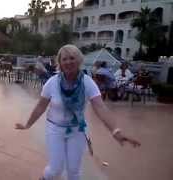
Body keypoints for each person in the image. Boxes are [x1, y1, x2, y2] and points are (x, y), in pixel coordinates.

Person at [15, 44, 140, 180]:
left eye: (72, 58)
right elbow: (40, 106)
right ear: (60, 63)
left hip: (77, 131)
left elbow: (100, 107)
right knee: (55, 169)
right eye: (65, 59)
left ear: (79, 60)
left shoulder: (87, 82)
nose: (68, 62)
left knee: (74, 171)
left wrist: (116, 131)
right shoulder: (52, 82)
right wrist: (28, 125)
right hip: (55, 130)